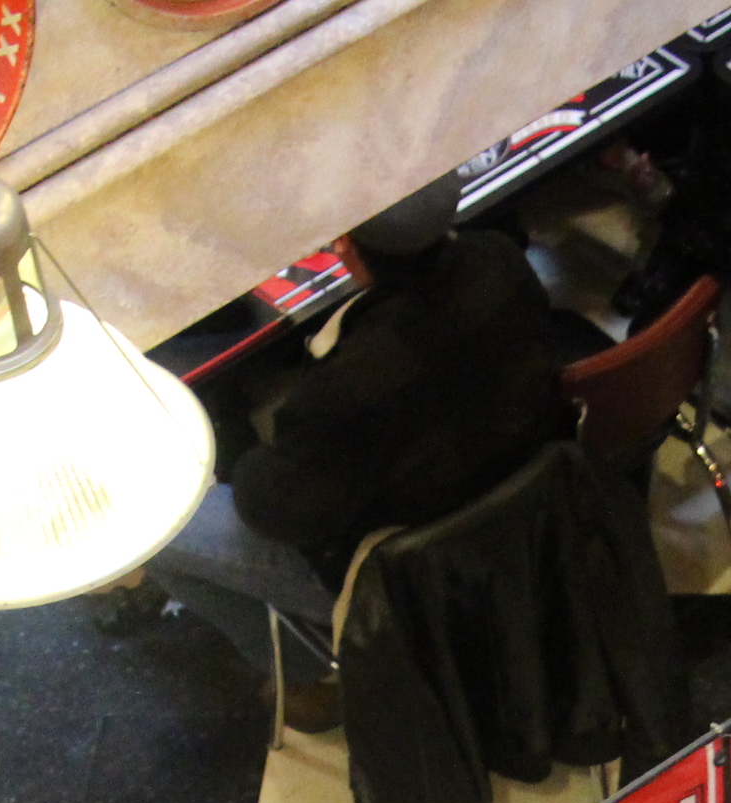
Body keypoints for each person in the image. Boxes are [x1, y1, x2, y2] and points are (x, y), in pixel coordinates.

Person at [136, 172, 567, 730]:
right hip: (525, 516)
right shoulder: (499, 260)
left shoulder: (350, 388)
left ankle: (305, 677)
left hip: (406, 576)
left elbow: (272, 511)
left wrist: (240, 454)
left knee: (155, 529)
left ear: (346, 249)